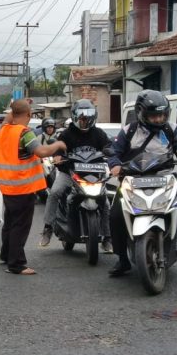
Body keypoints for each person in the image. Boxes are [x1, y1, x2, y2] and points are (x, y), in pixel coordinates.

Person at [106, 90, 177, 277]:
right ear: (141, 113)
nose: (158, 119)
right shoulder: (129, 131)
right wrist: (114, 165)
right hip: (132, 179)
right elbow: (113, 151)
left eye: (162, 115)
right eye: (154, 115)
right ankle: (122, 258)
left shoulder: (172, 129)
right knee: (115, 216)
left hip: (164, 177)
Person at [0, 98, 65, 275]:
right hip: (22, 188)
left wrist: (18, 106)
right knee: (20, 225)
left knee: (10, 223)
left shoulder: (4, 129)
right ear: (29, 114)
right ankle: (16, 264)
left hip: (7, 187)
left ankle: (6, 255)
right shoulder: (24, 133)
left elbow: (9, 117)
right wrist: (58, 145)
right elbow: (41, 151)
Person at [39, 100, 113, 253]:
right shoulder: (67, 134)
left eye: (87, 117)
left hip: (94, 174)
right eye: (81, 117)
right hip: (69, 173)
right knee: (54, 193)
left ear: (93, 118)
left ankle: (107, 237)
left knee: (105, 203)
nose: (84, 120)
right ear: (75, 117)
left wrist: (110, 154)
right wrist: (58, 156)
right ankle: (48, 228)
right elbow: (58, 148)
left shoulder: (99, 134)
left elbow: (108, 147)